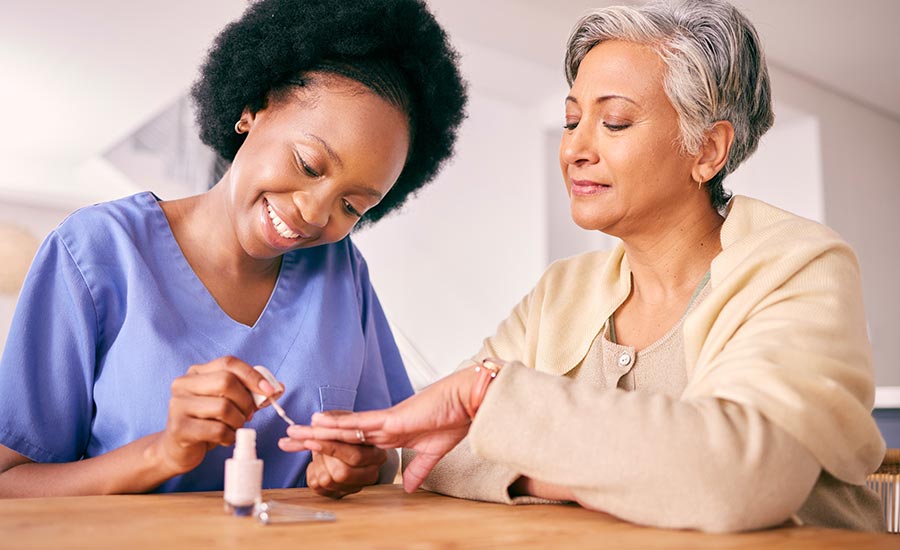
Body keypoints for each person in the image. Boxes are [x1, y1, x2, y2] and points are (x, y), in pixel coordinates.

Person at [282, 0, 887, 533]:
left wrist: (493, 406)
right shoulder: (563, 292)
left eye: (614, 121)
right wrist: (629, 477)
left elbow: (736, 480)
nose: (574, 147)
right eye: (573, 120)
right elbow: (439, 453)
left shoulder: (799, 267)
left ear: (706, 150)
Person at [0, 0, 466, 498]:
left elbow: (382, 452)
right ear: (253, 110)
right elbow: (9, 484)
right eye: (309, 165)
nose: (314, 213)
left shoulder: (342, 272)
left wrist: (358, 466)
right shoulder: (94, 252)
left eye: (352, 206)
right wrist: (163, 452)